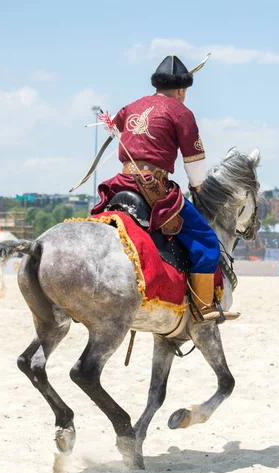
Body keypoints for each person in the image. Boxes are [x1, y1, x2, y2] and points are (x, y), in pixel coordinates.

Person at [92, 55, 238, 324]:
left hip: (121, 183)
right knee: (206, 240)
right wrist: (197, 186)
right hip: (154, 188)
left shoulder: (132, 107)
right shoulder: (182, 112)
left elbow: (114, 125)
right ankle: (204, 306)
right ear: (182, 90)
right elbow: (194, 163)